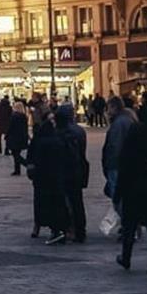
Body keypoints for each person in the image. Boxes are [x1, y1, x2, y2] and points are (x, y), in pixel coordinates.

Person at [114, 118, 147, 275]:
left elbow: (122, 175)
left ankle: (126, 258)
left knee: (129, 228)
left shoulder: (127, 152)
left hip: (132, 192)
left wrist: (117, 195)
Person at [25, 111, 70, 245]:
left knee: (42, 203)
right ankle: (59, 229)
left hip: (41, 178)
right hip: (56, 177)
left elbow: (31, 157)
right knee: (57, 203)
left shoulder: (39, 140)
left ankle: (41, 227)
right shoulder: (58, 140)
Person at [55, 103, 88, 243]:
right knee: (77, 201)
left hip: (65, 169)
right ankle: (80, 230)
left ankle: (68, 228)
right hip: (78, 168)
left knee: (65, 200)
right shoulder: (80, 131)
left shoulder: (60, 131)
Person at [101, 95, 135, 217]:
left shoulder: (119, 123)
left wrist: (109, 165)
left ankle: (128, 224)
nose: (107, 111)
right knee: (124, 196)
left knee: (118, 197)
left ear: (114, 107)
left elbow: (115, 146)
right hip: (125, 164)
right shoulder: (127, 119)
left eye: (108, 108)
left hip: (117, 165)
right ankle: (130, 225)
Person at [6, 100, 30, 176]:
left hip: (14, 137)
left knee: (15, 154)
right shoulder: (24, 116)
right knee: (17, 153)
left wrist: (7, 135)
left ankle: (26, 165)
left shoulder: (14, 116)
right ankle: (17, 169)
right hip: (21, 137)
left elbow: (11, 127)